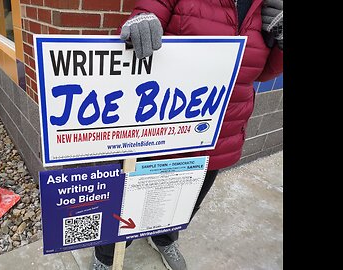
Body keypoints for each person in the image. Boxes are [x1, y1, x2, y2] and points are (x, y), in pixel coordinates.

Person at [90, 0, 283, 269]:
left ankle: (164, 238)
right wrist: (140, 23)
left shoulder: (269, 7)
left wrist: (282, 45)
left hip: (219, 135)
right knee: (127, 207)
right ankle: (106, 257)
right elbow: (148, 11)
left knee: (182, 205)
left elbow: (262, 73)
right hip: (162, 134)